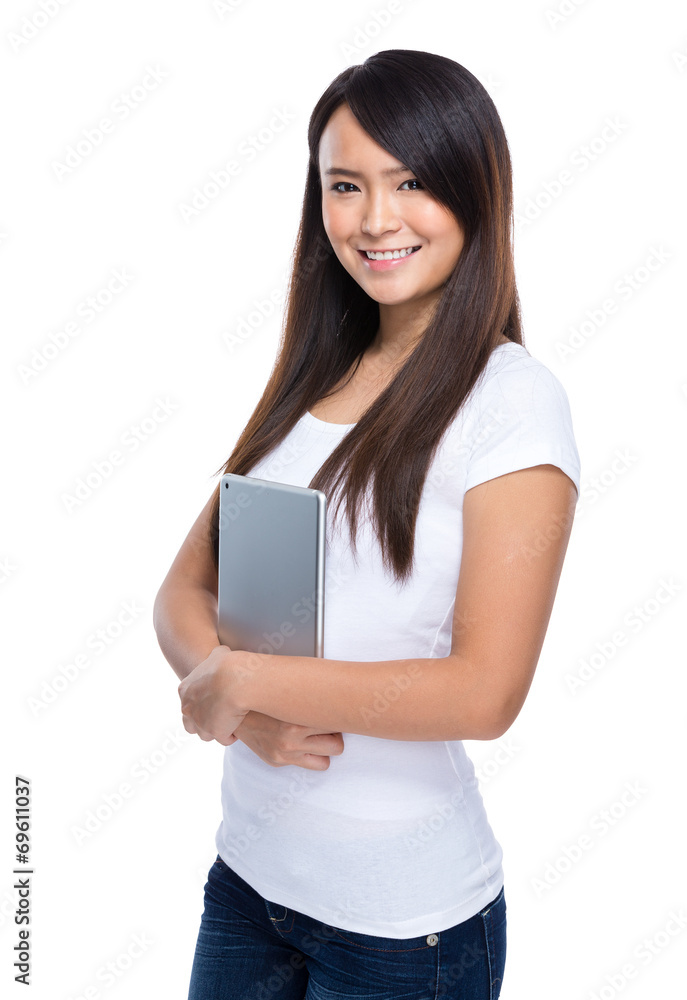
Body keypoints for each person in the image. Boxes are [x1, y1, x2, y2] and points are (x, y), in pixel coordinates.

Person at [153, 48, 581, 1000]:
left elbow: (486, 692)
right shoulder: (313, 375)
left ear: (476, 190)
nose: (375, 219)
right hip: (250, 890)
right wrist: (248, 713)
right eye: (345, 186)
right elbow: (185, 591)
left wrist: (251, 679)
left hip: (400, 931)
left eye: (412, 182)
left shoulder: (512, 402)